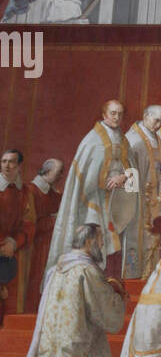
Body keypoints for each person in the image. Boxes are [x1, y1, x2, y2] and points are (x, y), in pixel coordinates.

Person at [0, 223, 125, 357]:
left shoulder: (57, 268)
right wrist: (120, 298)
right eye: (100, 240)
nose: (102, 245)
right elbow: (108, 316)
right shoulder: (87, 271)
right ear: (89, 242)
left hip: (51, 350)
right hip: (76, 352)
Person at [46, 98, 137, 279]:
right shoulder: (93, 140)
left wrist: (124, 177)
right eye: (113, 113)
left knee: (113, 249)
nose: (117, 117)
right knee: (95, 246)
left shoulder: (124, 140)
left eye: (120, 114)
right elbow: (87, 178)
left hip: (116, 202)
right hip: (93, 201)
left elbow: (132, 172)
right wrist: (107, 182)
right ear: (104, 115)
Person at [122, 103, 161, 279]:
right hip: (137, 196)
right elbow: (128, 170)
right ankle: (132, 275)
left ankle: (150, 273)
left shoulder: (155, 137)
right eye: (156, 120)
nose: (159, 125)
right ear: (146, 116)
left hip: (153, 196)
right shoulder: (132, 139)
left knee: (151, 236)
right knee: (135, 234)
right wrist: (132, 198)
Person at [22, 157, 63, 312]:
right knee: (36, 281)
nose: (61, 177)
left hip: (51, 245)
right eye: (58, 173)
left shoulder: (54, 193)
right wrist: (54, 219)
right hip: (37, 247)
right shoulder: (31, 191)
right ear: (47, 171)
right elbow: (31, 225)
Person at [0, 147, 34, 321]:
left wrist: (13, 243)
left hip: (13, 253)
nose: (7, 165)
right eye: (4, 161)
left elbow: (29, 224)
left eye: (12, 162)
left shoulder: (25, 192)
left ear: (19, 166)